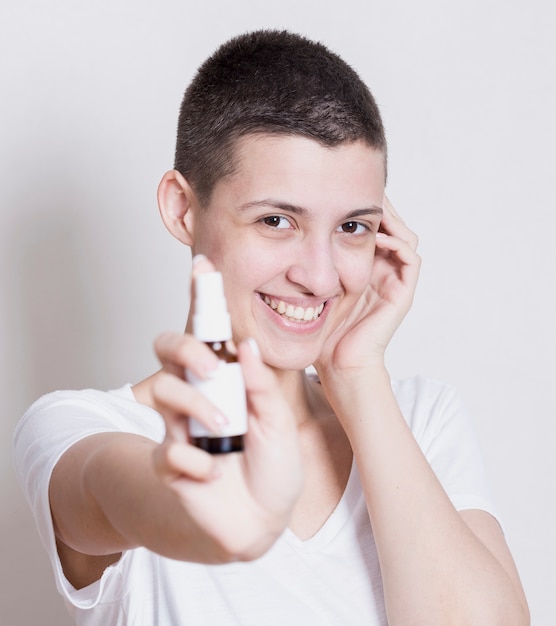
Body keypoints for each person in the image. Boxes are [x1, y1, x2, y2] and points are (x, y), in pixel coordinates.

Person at [14, 29, 529, 625]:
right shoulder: (84, 428)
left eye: (353, 227)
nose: (319, 276)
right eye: (277, 220)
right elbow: (115, 493)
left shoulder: (421, 421)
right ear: (183, 208)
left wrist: (357, 376)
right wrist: (186, 503)